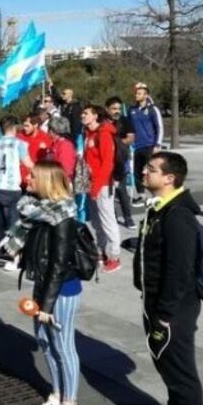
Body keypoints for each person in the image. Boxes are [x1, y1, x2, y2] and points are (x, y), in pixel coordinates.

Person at [0, 161, 82, 405]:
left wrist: (46, 305)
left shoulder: (63, 216)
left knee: (63, 346)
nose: (27, 179)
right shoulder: (35, 211)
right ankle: (56, 395)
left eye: (33, 177)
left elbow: (59, 265)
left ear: (47, 181)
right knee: (45, 342)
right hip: (41, 285)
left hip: (62, 289)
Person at [134, 151, 203, 405]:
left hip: (173, 309)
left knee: (181, 370)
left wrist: (165, 314)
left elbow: (179, 270)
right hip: (156, 303)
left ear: (169, 178)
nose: (144, 172)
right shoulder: (160, 209)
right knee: (166, 365)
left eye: (151, 169)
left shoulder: (178, 216)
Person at [0, 116, 33, 271]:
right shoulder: (19, 144)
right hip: (11, 188)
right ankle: (13, 257)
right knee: (13, 224)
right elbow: (28, 163)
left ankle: (1, 253)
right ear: (14, 128)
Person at [82, 105, 122, 274]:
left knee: (108, 221)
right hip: (92, 184)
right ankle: (101, 252)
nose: (82, 115)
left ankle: (114, 257)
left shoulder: (104, 134)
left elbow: (107, 164)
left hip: (103, 185)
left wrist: (97, 186)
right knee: (97, 222)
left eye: (86, 113)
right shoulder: (89, 133)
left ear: (95, 116)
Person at [128, 82, 164, 205]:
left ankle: (158, 195)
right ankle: (141, 196)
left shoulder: (152, 109)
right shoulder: (131, 110)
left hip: (149, 145)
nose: (136, 95)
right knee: (137, 173)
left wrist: (157, 144)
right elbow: (129, 127)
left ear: (146, 95)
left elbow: (159, 127)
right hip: (136, 147)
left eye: (139, 93)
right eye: (136, 93)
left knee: (152, 172)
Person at [105, 96, 137, 230]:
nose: (117, 111)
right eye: (114, 109)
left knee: (121, 189)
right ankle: (112, 215)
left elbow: (131, 138)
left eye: (118, 108)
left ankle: (128, 217)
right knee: (108, 191)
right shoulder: (102, 122)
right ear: (107, 109)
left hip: (120, 159)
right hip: (105, 160)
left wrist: (117, 143)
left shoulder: (124, 121)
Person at [17, 112, 52, 188]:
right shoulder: (19, 137)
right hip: (20, 180)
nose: (24, 128)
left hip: (37, 180)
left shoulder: (45, 138)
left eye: (27, 126)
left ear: (35, 125)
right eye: (24, 125)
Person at [45, 116, 76, 181]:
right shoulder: (54, 144)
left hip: (60, 181)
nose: (47, 131)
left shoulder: (65, 145)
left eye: (49, 129)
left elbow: (66, 169)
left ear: (53, 130)